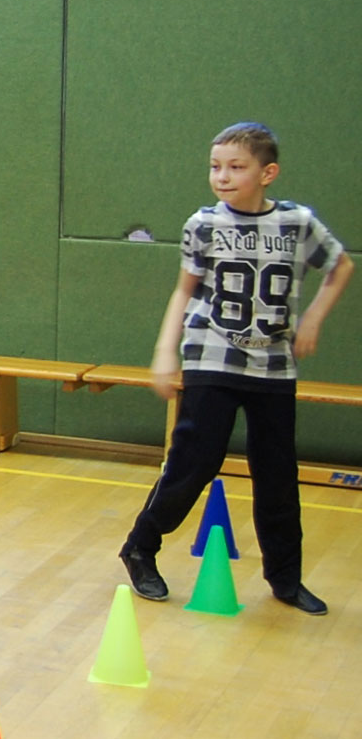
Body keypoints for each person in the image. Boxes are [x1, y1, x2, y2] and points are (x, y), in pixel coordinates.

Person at [119, 122, 351, 615]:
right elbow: (184, 290)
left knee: (277, 474)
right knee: (194, 461)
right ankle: (141, 546)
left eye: (235, 167)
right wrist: (166, 350)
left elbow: (340, 266)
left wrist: (313, 319)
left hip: (273, 365)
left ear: (268, 173)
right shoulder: (203, 224)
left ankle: (285, 578)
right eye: (215, 166)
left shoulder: (296, 223)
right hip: (212, 355)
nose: (221, 176)